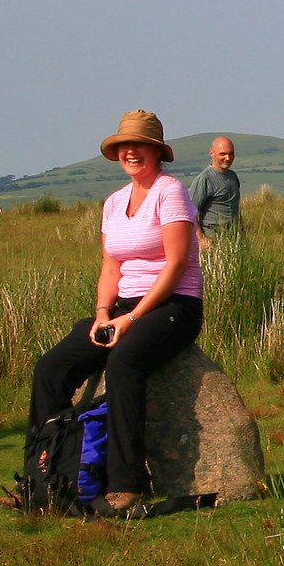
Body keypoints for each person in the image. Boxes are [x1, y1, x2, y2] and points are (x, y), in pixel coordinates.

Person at [26, 111, 205, 517]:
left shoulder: (170, 193)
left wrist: (134, 318)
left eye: (139, 145)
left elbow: (175, 264)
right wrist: (104, 314)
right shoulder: (113, 203)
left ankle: (127, 485)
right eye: (124, 146)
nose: (130, 152)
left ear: (156, 152)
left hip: (174, 305)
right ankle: (45, 478)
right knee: (51, 368)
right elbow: (111, 267)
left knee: (124, 362)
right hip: (121, 306)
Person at [187, 136, 244, 245]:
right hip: (213, 239)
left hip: (234, 238)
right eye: (222, 154)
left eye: (231, 153)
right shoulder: (205, 179)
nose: (228, 158)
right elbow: (189, 211)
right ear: (212, 153)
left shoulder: (233, 176)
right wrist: (201, 239)